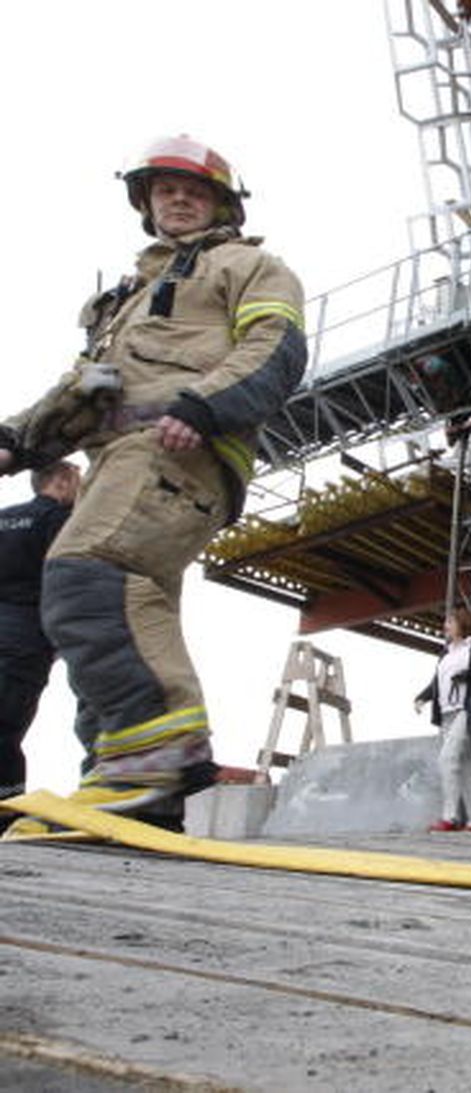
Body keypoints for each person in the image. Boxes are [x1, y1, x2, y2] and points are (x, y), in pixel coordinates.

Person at [0, 135, 306, 832]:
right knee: (127, 611)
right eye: (163, 188)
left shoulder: (250, 267)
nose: (177, 198)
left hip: (179, 448)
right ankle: (124, 785)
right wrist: (17, 440)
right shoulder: (125, 300)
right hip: (121, 456)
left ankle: (155, 761)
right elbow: (88, 392)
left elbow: (276, 350)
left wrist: (205, 407)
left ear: (223, 203)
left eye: (193, 189)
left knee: (88, 575)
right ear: (145, 202)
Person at [0, 461, 82, 827]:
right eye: (78, 482)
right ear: (62, 481)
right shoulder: (62, 522)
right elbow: (70, 583)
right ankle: (6, 810)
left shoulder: (5, 517)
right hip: (26, 639)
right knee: (7, 727)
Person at [414, 606, 471, 832]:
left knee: (447, 759)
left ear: (462, 624)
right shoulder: (446, 653)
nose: (445, 626)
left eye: (450, 622)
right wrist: (422, 698)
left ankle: (450, 816)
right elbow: (437, 681)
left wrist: (469, 676)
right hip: (446, 713)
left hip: (467, 710)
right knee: (466, 767)